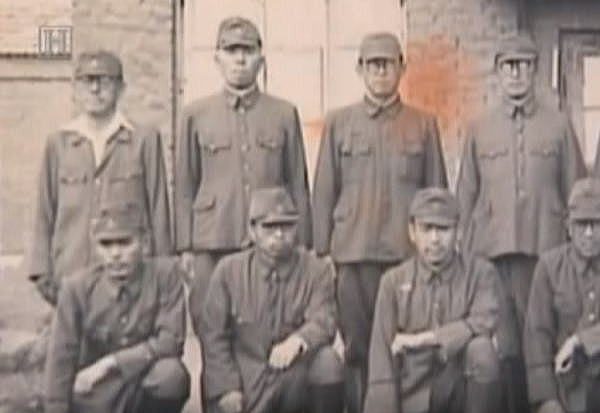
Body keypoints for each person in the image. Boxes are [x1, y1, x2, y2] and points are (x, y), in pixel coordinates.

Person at [311, 31, 447, 413]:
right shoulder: (339, 123)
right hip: (353, 257)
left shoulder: (423, 124)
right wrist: (323, 252)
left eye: (388, 64)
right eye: (373, 65)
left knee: (405, 345)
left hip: (407, 258)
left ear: (402, 69)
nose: (381, 72)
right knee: (357, 348)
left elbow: (436, 193)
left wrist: (432, 250)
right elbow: (324, 191)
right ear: (360, 69)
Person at [456, 32, 587, 413]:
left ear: (535, 71)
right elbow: (466, 195)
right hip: (494, 256)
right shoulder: (479, 128)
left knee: (542, 339)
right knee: (506, 347)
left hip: (545, 252)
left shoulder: (558, 126)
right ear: (498, 72)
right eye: (508, 66)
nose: (515, 73)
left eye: (523, 65)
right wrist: (466, 255)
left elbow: (577, 192)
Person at [175, 16, 312, 335]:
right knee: (212, 326)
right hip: (213, 239)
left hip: (269, 240)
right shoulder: (196, 115)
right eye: (231, 51)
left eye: (247, 51)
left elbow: (297, 182)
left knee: (268, 326)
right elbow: (184, 185)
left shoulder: (283, 114)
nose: (240, 59)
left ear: (261, 59)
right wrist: (185, 248)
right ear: (217, 59)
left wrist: (304, 242)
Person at [27, 49, 171, 306]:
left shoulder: (143, 140)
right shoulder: (59, 144)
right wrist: (40, 270)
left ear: (121, 88)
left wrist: (163, 271)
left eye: (104, 81)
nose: (95, 89)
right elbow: (45, 211)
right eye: (86, 81)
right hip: (71, 276)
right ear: (74, 89)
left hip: (130, 281)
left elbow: (159, 210)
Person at [199, 187, 344, 413]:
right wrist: (227, 388)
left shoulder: (316, 271)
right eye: (269, 227)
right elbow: (213, 336)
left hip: (292, 380)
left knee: (328, 364)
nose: (279, 235)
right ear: (252, 230)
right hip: (245, 380)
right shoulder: (228, 271)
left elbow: (324, 318)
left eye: (287, 226)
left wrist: (298, 340)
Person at [364, 187, 501, 413]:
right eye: (426, 229)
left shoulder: (480, 274)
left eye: (443, 229)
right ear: (412, 232)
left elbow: (484, 320)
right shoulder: (393, 282)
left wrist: (424, 339)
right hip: (413, 397)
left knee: (482, 351)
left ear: (458, 232)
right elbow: (382, 363)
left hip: (463, 394)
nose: (435, 239)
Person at [43, 202, 189, 413]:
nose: (115, 254)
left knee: (171, 376)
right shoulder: (76, 289)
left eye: (124, 243)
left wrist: (111, 363)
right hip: (98, 391)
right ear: (96, 247)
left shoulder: (165, 276)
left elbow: (171, 340)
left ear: (144, 243)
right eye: (106, 244)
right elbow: (61, 357)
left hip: (143, 379)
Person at [525, 177, 600, 413]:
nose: (589, 233)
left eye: (597, 224)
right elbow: (537, 337)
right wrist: (547, 400)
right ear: (568, 225)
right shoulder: (549, 267)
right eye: (581, 224)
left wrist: (579, 340)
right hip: (569, 385)